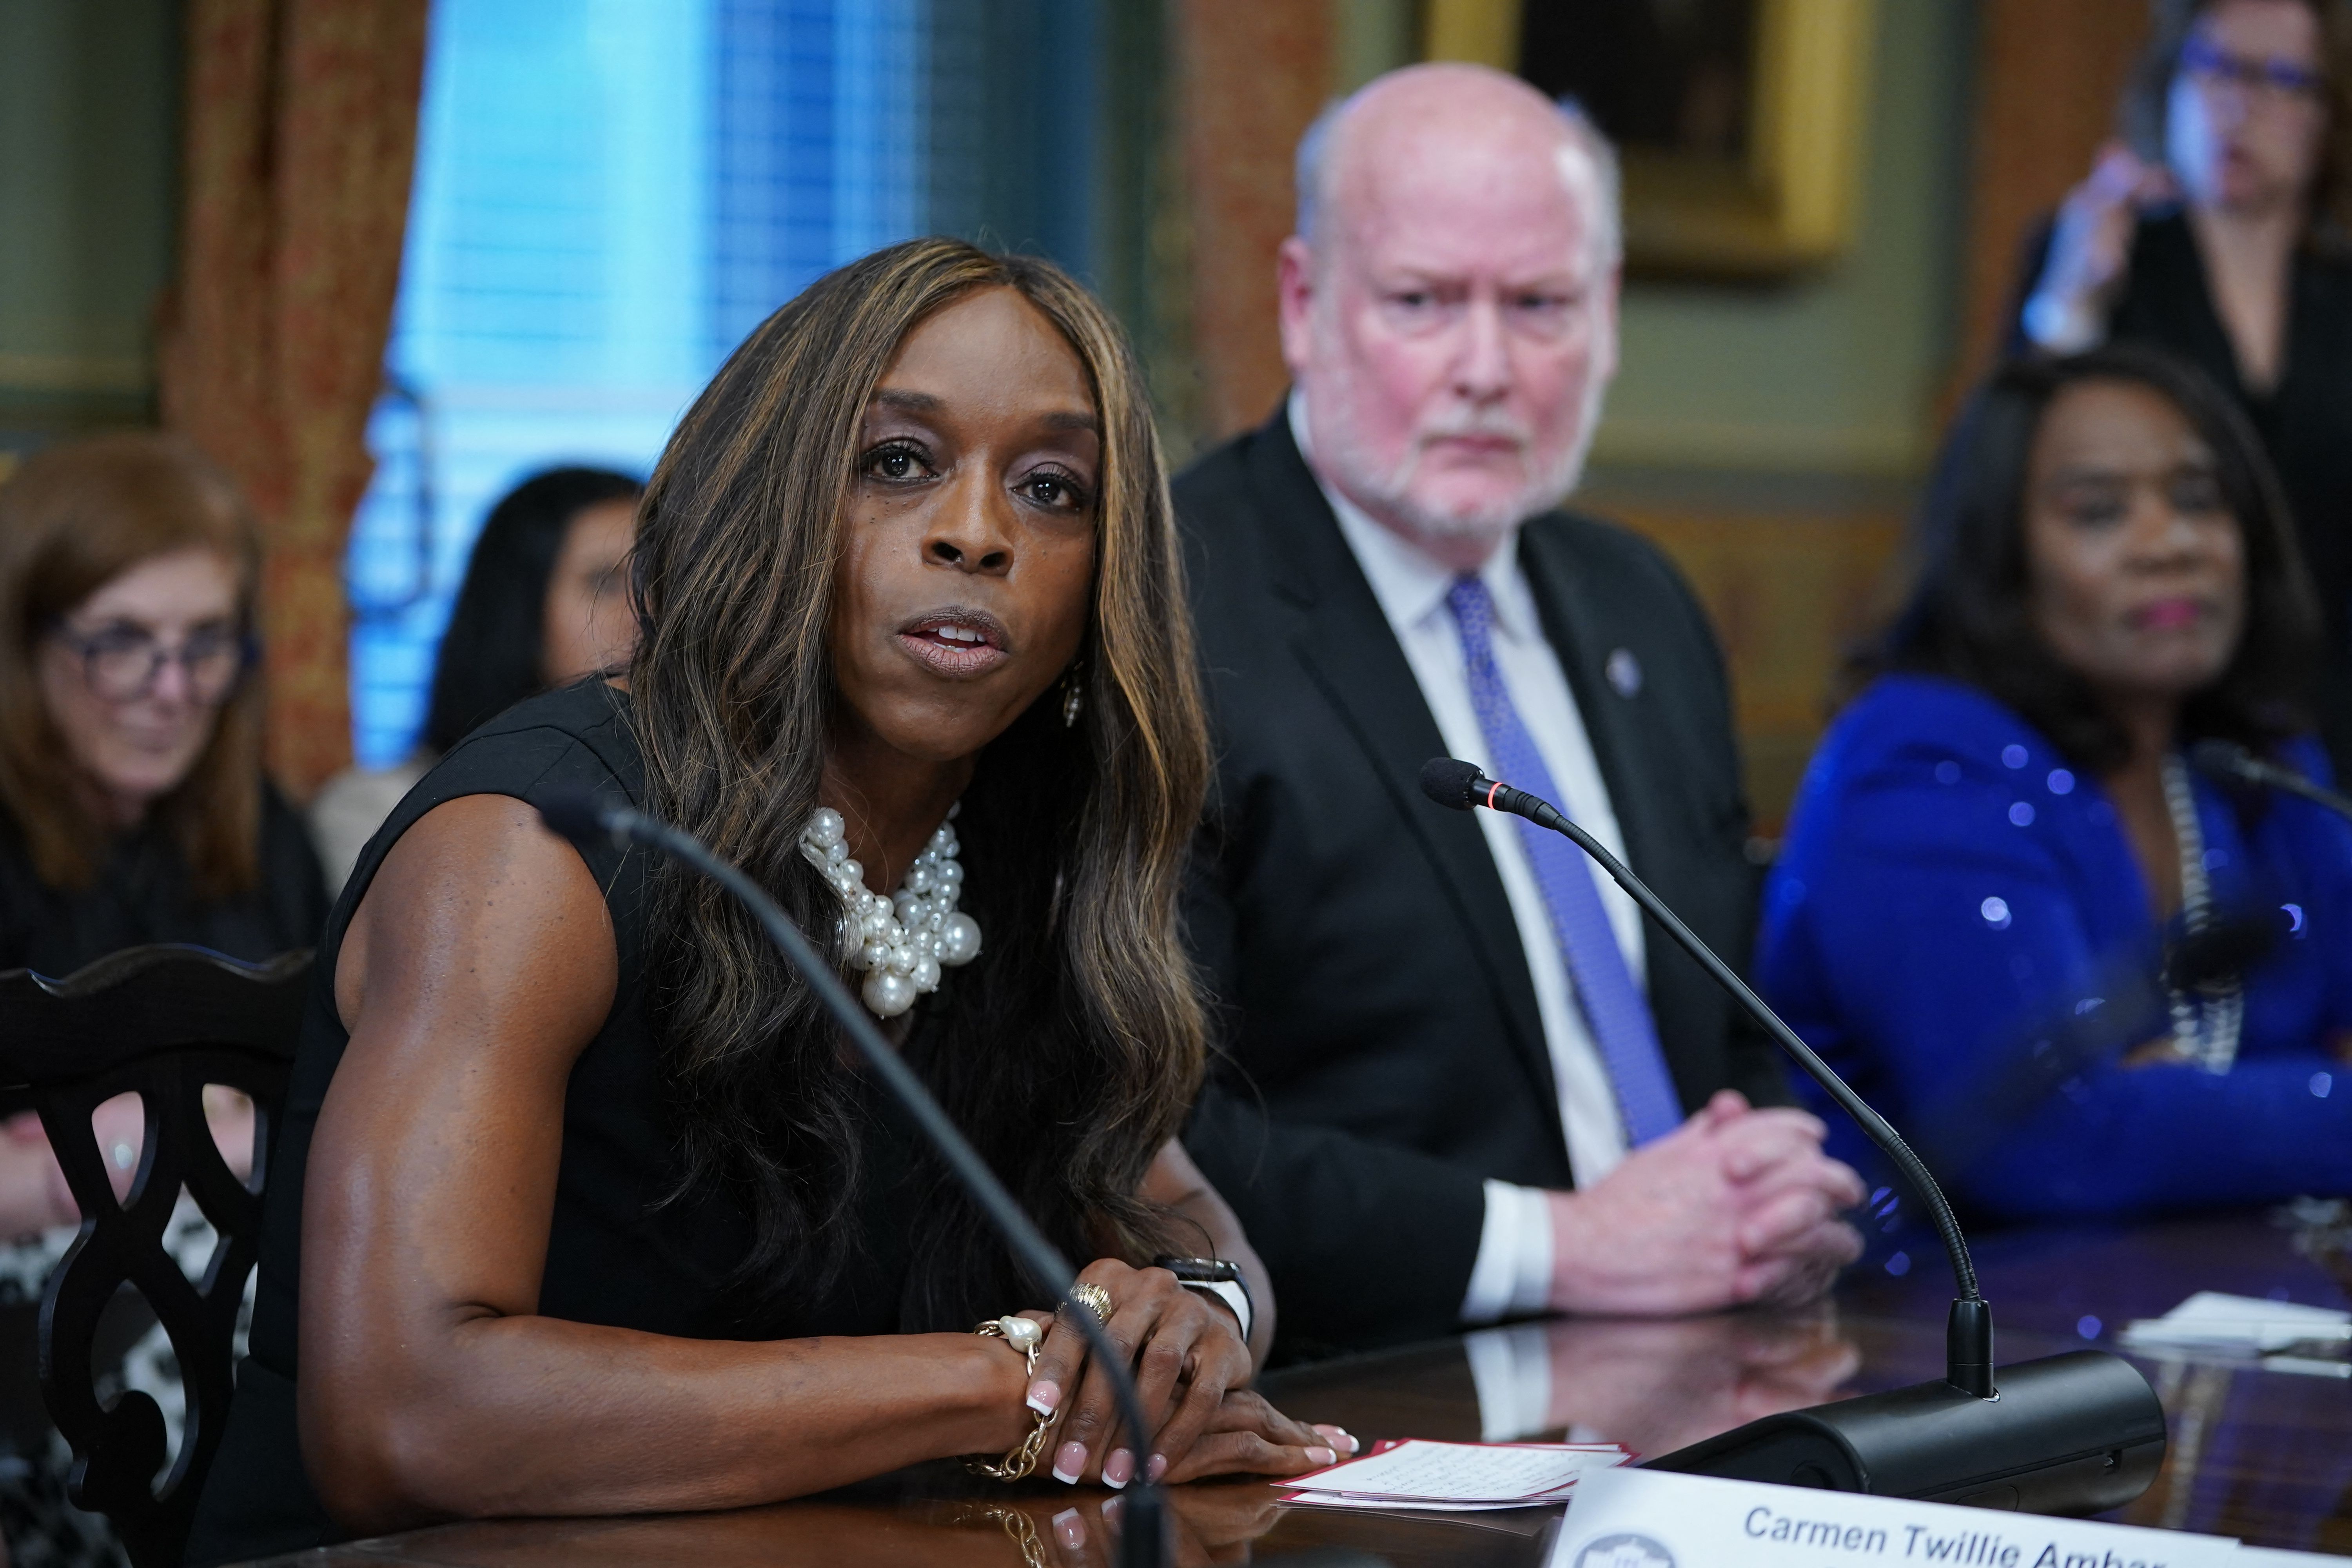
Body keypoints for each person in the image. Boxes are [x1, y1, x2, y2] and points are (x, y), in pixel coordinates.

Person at [187, 239, 1348, 1566]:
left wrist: (1192, 1322)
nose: (977, 531)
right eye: (898, 462)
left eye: (1052, 488)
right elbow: (405, 1420)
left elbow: (1195, 1229)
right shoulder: (537, 845)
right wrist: (1018, 1382)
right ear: (771, 499)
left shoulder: (1018, 858)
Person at [1174, 61, 1863, 1359]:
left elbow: (1725, 1019)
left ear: (1605, 315)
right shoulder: (1168, 614)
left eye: (1539, 305)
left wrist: (1777, 1188)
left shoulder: (1640, 601)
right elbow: (1143, 1136)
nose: (1485, 368)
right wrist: (1564, 1245)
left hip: (1719, 1354)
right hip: (1377, 1391)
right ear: (1305, 304)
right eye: (1424, 302)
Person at [1760, 346, 2352, 1220]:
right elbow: (2051, 1146)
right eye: (2100, 512)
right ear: (2003, 553)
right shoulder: (1922, 772)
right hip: (1929, 1331)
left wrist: (2186, 1108)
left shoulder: (2262, 767)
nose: (2171, 543)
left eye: (2198, 498)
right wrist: (2300, 1097)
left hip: (2233, 1309)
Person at [0, 432, 327, 1566]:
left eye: (205, 646)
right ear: (24, 641)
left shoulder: (259, 831)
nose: (172, 691)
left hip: (231, 1249)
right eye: (121, 644)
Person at [2015, 0, 2352, 774]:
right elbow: (2002, 489)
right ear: (2169, 83)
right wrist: (2068, 311)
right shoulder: (2104, 259)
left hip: (2329, 714)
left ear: (2330, 114)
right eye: (2218, 69)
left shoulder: (2339, 293)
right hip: (2134, 713)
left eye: (2282, 79)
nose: (2240, 105)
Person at [308, 466, 642, 890]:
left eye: (655, 580)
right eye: (604, 583)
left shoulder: (698, 804)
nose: (642, 613)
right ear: (518, 608)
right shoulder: (379, 808)